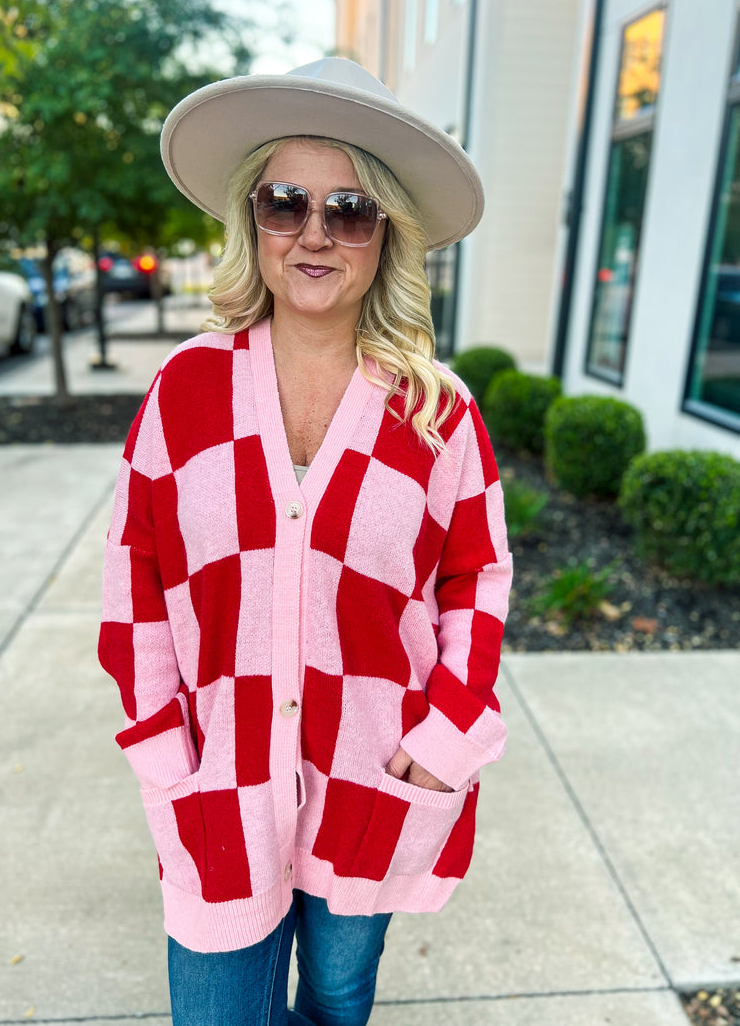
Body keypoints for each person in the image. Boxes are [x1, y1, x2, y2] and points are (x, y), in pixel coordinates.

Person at [98, 57, 512, 1026]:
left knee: (334, 1001)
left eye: (350, 209)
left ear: (385, 237)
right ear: (252, 222)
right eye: (286, 202)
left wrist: (441, 742)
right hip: (218, 784)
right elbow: (135, 587)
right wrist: (168, 755)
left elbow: (476, 576)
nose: (315, 232)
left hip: (374, 778)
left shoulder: (435, 412)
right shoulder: (185, 394)